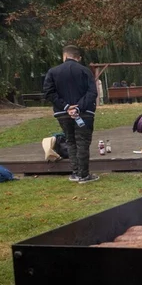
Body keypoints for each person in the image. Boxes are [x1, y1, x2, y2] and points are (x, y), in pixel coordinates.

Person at [42, 45, 99, 184]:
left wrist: (66, 106)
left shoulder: (53, 72)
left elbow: (48, 92)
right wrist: (78, 107)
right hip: (84, 113)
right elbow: (92, 92)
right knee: (82, 142)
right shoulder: (85, 71)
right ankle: (84, 174)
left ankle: (75, 172)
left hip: (62, 113)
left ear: (64, 56)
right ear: (79, 58)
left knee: (70, 141)